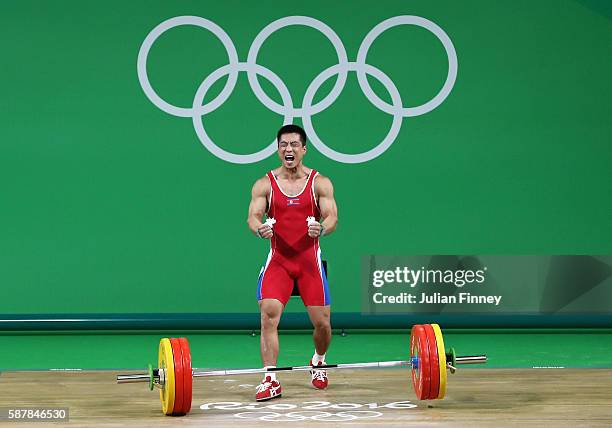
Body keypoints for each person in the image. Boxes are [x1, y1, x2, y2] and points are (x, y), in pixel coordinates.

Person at [247, 124, 338, 401]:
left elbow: (332, 217)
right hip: (279, 262)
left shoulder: (320, 183)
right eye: (284, 145)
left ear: (303, 149)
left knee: (322, 324)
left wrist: (322, 229)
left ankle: (318, 361)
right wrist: (259, 228)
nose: (289, 149)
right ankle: (271, 378)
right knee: (268, 316)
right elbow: (252, 216)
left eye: (294, 145)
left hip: (309, 262)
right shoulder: (264, 184)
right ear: (278, 149)